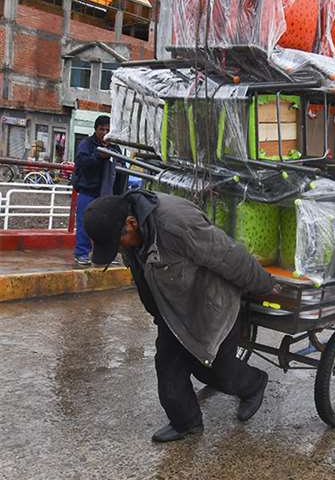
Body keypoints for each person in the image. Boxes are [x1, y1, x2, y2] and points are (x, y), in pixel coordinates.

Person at [82, 190, 275, 443]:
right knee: (167, 365)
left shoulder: (176, 224)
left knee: (214, 370)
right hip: (174, 307)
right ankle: (186, 423)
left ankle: (254, 383)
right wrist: (157, 314)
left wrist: (264, 285)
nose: (120, 249)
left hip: (210, 302)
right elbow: (143, 279)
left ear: (131, 223)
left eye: (119, 244)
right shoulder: (131, 232)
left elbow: (228, 256)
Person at [72, 115, 127, 265]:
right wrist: (98, 156)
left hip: (107, 194)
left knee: (108, 225)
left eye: (108, 130)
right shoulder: (87, 144)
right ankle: (82, 253)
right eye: (102, 129)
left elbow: (122, 168)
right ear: (95, 129)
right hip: (88, 191)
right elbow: (81, 162)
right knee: (84, 222)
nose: (104, 132)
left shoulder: (115, 148)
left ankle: (106, 255)